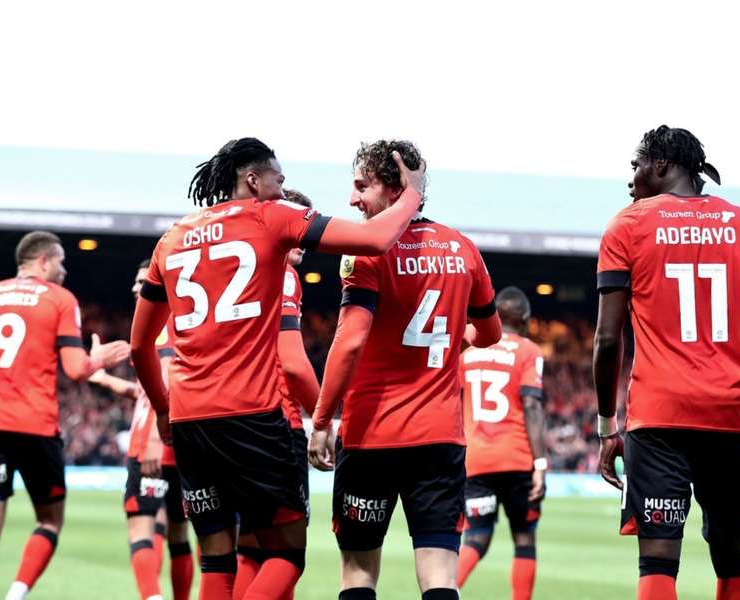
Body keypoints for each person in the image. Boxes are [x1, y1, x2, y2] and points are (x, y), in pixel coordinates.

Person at [130, 137, 426, 600]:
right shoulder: (272, 217)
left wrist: (165, 413)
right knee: (286, 554)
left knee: (216, 559)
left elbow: (139, 344)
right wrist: (413, 193)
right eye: (278, 180)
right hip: (251, 414)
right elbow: (375, 239)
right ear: (253, 180)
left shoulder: (173, 237)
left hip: (190, 419)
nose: (282, 188)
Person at [593, 125, 740, 600]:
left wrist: (608, 425)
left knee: (657, 562)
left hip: (657, 420)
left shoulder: (626, 226)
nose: (629, 178)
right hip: (727, 421)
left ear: (662, 166)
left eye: (635, 165)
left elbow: (608, 339)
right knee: (733, 559)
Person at [308, 140, 502, 600]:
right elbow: (489, 334)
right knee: (439, 575)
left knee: (358, 574)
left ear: (394, 187)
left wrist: (320, 421)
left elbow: (350, 340)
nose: (353, 199)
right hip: (439, 439)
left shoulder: (364, 252)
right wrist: (455, 343)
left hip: (372, 434)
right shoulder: (463, 250)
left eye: (361, 186)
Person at [0, 230, 130, 600]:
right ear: (43, 261)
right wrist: (99, 361)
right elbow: (75, 370)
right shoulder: (60, 299)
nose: (65, 271)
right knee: (50, 520)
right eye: (61, 262)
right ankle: (16, 595)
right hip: (37, 427)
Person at [233, 189, 321, 600]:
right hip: (274, 423)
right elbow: (293, 362)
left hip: (230, 419)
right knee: (289, 553)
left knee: (251, 548)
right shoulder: (282, 274)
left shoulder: (241, 269)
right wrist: (324, 418)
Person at [88, 260, 193, 600]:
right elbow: (147, 391)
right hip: (181, 442)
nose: (136, 288)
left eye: (142, 281)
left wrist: (151, 442)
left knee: (141, 525)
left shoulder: (158, 325)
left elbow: (162, 383)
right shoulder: (184, 321)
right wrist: (106, 380)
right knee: (178, 532)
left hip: (153, 443)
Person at [456, 286, 547, 599]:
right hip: (518, 460)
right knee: (524, 538)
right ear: (524, 320)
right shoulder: (527, 351)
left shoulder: (467, 355)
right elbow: (532, 406)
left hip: (477, 461)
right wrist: (541, 464)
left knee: (476, 538)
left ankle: (442, 590)